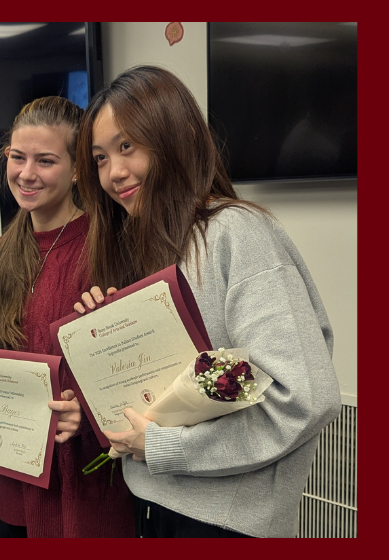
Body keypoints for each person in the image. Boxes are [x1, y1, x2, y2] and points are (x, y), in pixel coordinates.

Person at [72, 65, 342, 538]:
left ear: (172, 136)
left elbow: (302, 400)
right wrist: (105, 348)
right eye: (100, 158)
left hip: (225, 522)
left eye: (127, 146)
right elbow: (164, 398)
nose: (114, 173)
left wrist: (165, 448)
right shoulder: (139, 248)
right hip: (150, 504)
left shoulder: (236, 233)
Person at [0, 97, 136, 538]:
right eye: (17, 157)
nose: (26, 174)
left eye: (45, 160)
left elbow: (138, 369)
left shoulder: (112, 247)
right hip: (18, 477)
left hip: (90, 479)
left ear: (78, 169)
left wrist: (87, 412)